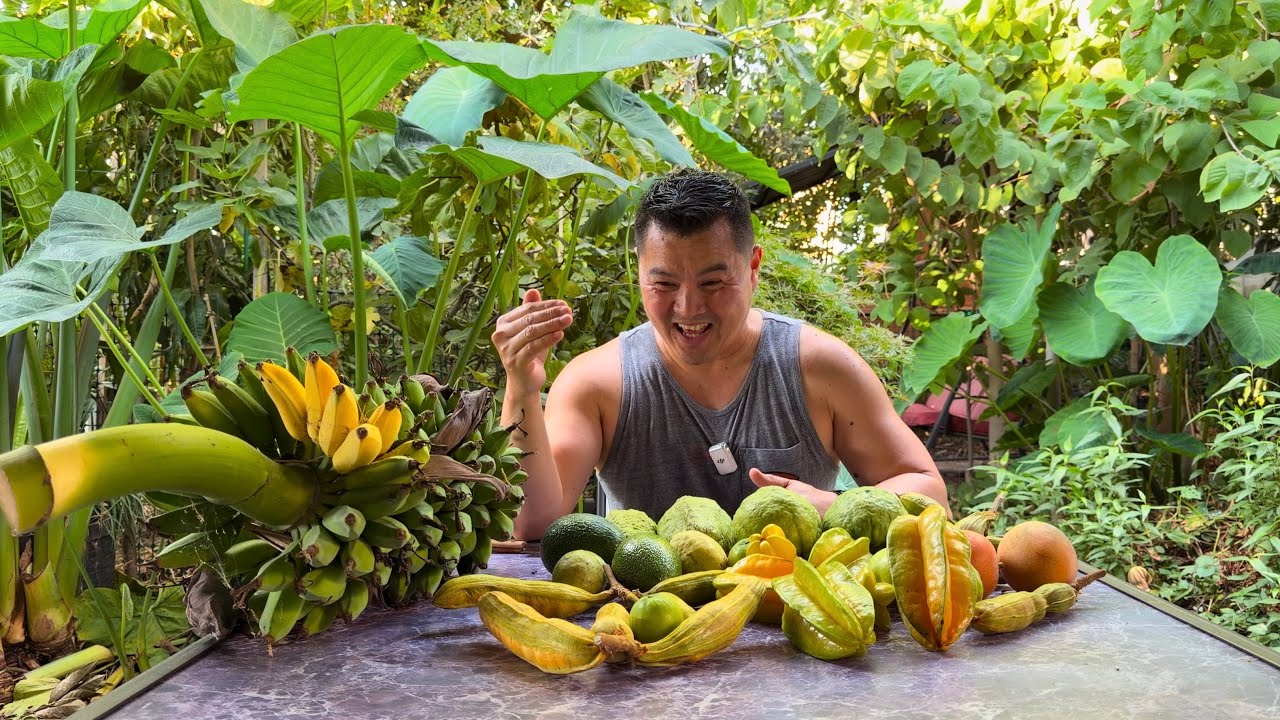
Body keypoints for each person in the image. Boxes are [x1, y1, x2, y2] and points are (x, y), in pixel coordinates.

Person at [492, 169, 946, 540]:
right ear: (639, 273)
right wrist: (522, 388)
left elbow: (930, 494)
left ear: (752, 269)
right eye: (664, 284)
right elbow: (530, 524)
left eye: (713, 282)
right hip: (644, 627)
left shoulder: (821, 368)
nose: (688, 307)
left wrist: (834, 506)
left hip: (795, 624)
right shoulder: (598, 383)